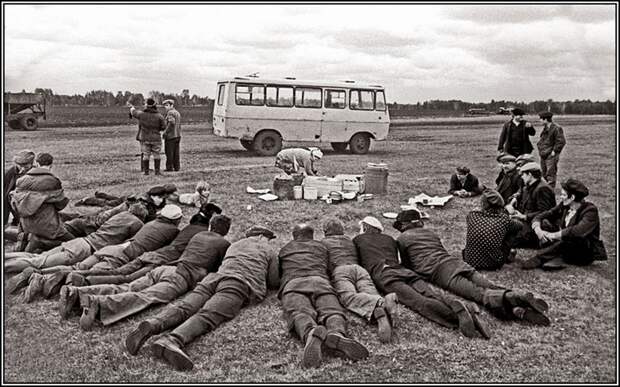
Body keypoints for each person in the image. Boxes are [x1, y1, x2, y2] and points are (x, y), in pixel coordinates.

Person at [120, 226, 278, 371]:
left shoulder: (235, 244)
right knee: (208, 315)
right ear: (263, 236)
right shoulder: (268, 249)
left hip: (213, 278)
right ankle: (172, 340)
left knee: (185, 306)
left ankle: (154, 324)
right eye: (269, 238)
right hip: (238, 283)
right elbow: (273, 280)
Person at [67, 215, 231, 331]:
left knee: (127, 286)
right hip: (180, 278)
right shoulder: (223, 244)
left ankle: (78, 292)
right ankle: (98, 303)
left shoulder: (199, 234)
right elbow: (217, 268)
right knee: (145, 297)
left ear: (210, 226)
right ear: (226, 231)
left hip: (166, 268)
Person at [393, 209, 550, 326]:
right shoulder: (430, 233)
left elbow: (408, 266)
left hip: (440, 272)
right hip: (456, 263)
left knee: (479, 295)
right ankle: (516, 302)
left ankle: (512, 304)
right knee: (490, 285)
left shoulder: (402, 239)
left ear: (404, 226)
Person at [6, 204, 184, 299]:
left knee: (37, 257)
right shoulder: (139, 224)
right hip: (96, 249)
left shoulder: (122, 216)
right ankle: (37, 275)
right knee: (71, 269)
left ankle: (14, 261)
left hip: (86, 242)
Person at [353, 216, 490, 339]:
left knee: (418, 301)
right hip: (404, 271)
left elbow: (357, 265)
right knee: (433, 293)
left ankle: (456, 318)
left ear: (364, 227)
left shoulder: (357, 240)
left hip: (386, 275)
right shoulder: (389, 239)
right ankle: (467, 311)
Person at [65, 203, 222, 287]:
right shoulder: (192, 234)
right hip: (157, 260)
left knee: (119, 272)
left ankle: (82, 276)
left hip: (144, 254)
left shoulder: (155, 223)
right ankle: (86, 281)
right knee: (126, 278)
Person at [279, 223, 369, 368]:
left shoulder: (285, 249)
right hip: (320, 282)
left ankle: (311, 332)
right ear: (312, 235)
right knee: (333, 310)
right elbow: (329, 267)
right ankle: (337, 333)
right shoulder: (321, 247)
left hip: (294, 283)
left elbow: (278, 274)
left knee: (299, 312)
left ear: (294, 236)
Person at [4, 203, 147, 276]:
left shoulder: (119, 215)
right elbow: (130, 244)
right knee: (38, 263)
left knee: (36, 257)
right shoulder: (137, 223)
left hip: (80, 241)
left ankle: (6, 256)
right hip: (86, 249)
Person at [320, 218, 398, 343]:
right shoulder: (350, 241)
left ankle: (382, 303)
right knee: (370, 292)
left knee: (348, 297)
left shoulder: (323, 243)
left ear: (325, 232)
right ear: (342, 231)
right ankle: (380, 310)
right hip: (359, 269)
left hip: (341, 270)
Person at [521, 178, 607, 270]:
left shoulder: (590, 210)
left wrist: (553, 235)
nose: (561, 197)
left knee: (569, 238)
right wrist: (538, 230)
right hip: (564, 243)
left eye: (563, 195)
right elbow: (543, 215)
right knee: (545, 224)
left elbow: (577, 231)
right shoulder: (564, 205)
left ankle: (540, 258)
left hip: (582, 250)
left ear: (572, 197)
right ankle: (557, 258)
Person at [9, 153, 76, 253]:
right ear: (51, 165)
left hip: (26, 226)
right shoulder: (53, 181)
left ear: (36, 163)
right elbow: (60, 205)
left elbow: (15, 203)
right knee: (74, 242)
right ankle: (39, 242)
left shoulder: (21, 181)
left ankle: (30, 241)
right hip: (48, 225)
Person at [463, 190, 521, 270]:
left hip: (469, 260)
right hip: (493, 264)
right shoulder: (504, 219)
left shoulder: (472, 215)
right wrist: (508, 214)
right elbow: (519, 226)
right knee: (512, 231)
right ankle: (507, 254)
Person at [506, 162, 556, 249]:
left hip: (535, 225)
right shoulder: (529, 186)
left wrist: (524, 216)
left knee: (509, 240)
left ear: (529, 174)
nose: (521, 177)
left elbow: (545, 212)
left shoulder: (542, 189)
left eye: (523, 174)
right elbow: (520, 195)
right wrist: (513, 204)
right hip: (525, 221)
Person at [128, 98, 166, 175]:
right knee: (157, 154)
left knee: (146, 155)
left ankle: (146, 172)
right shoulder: (159, 116)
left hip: (145, 138)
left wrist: (132, 108)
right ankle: (157, 172)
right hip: (156, 138)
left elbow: (133, 112)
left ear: (146, 105)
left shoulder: (141, 114)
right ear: (155, 105)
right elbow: (163, 127)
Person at [4, 149, 35, 226]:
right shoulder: (10, 173)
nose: (22, 169)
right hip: (16, 206)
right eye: (20, 165)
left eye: (26, 166)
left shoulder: (36, 173)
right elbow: (5, 196)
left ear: (32, 163)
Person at [536, 111, 566, 189]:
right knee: (544, 174)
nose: (540, 121)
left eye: (541, 119)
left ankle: (550, 192)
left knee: (550, 174)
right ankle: (545, 190)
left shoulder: (556, 128)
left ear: (545, 119)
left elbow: (561, 141)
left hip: (550, 155)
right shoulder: (546, 128)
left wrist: (555, 151)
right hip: (543, 154)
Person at [162, 99, 182, 172]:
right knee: (176, 153)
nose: (165, 107)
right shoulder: (177, 113)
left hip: (171, 136)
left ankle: (169, 167)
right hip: (178, 135)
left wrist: (165, 132)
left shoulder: (170, 113)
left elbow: (171, 123)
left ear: (171, 105)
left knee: (169, 153)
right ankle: (177, 167)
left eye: (167, 105)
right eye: (165, 105)